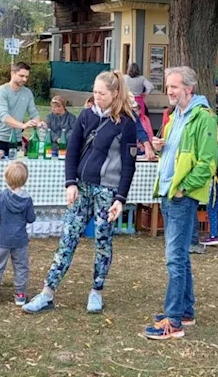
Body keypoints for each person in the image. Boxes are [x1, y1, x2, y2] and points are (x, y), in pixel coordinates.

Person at [24, 71, 139, 315]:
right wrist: (70, 183)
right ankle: (47, 292)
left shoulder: (127, 123)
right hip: (82, 188)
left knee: (103, 241)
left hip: (107, 191)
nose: (97, 97)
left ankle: (96, 290)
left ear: (115, 94)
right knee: (67, 238)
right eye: (95, 92)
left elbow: (129, 165)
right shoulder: (86, 116)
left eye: (102, 93)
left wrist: (120, 198)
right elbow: (73, 150)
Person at [143, 67, 217, 340]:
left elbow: (208, 164)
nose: (169, 91)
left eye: (174, 87)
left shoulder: (203, 118)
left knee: (174, 260)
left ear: (189, 88)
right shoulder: (175, 117)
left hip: (181, 197)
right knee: (181, 257)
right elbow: (177, 154)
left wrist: (183, 190)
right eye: (168, 86)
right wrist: (161, 146)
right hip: (167, 193)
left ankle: (173, 322)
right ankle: (186, 311)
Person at [0, 161, 36, 307]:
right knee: (21, 266)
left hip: (2, 239)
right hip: (20, 240)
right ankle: (20, 295)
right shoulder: (27, 199)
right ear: (25, 180)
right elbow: (31, 218)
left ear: (6, 179)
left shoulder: (0, 197)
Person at [0, 62, 45, 154]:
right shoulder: (1, 91)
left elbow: (33, 112)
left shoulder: (27, 93)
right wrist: (23, 125)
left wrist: (38, 123)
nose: (24, 79)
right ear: (12, 73)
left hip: (17, 140)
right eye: (21, 76)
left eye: (26, 76)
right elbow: (4, 116)